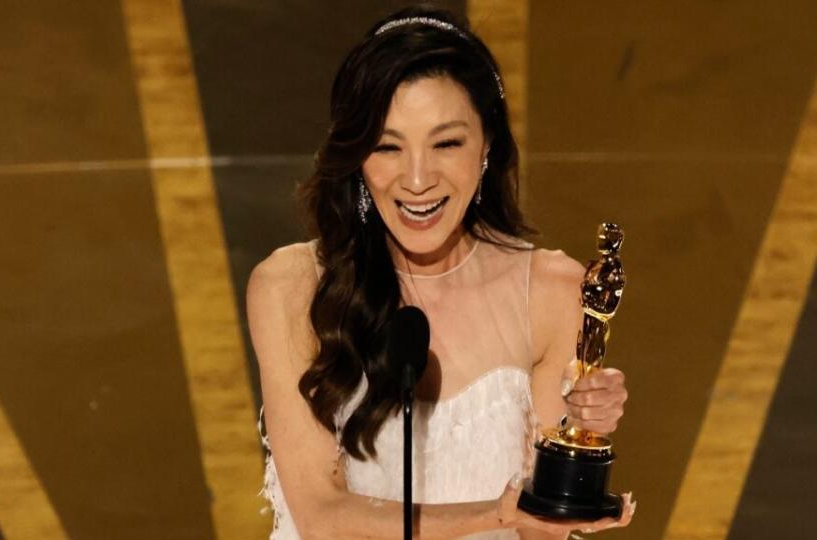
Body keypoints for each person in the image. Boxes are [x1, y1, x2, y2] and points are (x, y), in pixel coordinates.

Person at [249, 5, 635, 539]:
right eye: (387, 146)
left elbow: (539, 533)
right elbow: (321, 516)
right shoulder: (292, 289)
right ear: (358, 156)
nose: (416, 180)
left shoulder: (551, 293)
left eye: (446, 143)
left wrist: (574, 451)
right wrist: (496, 512)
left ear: (487, 147)